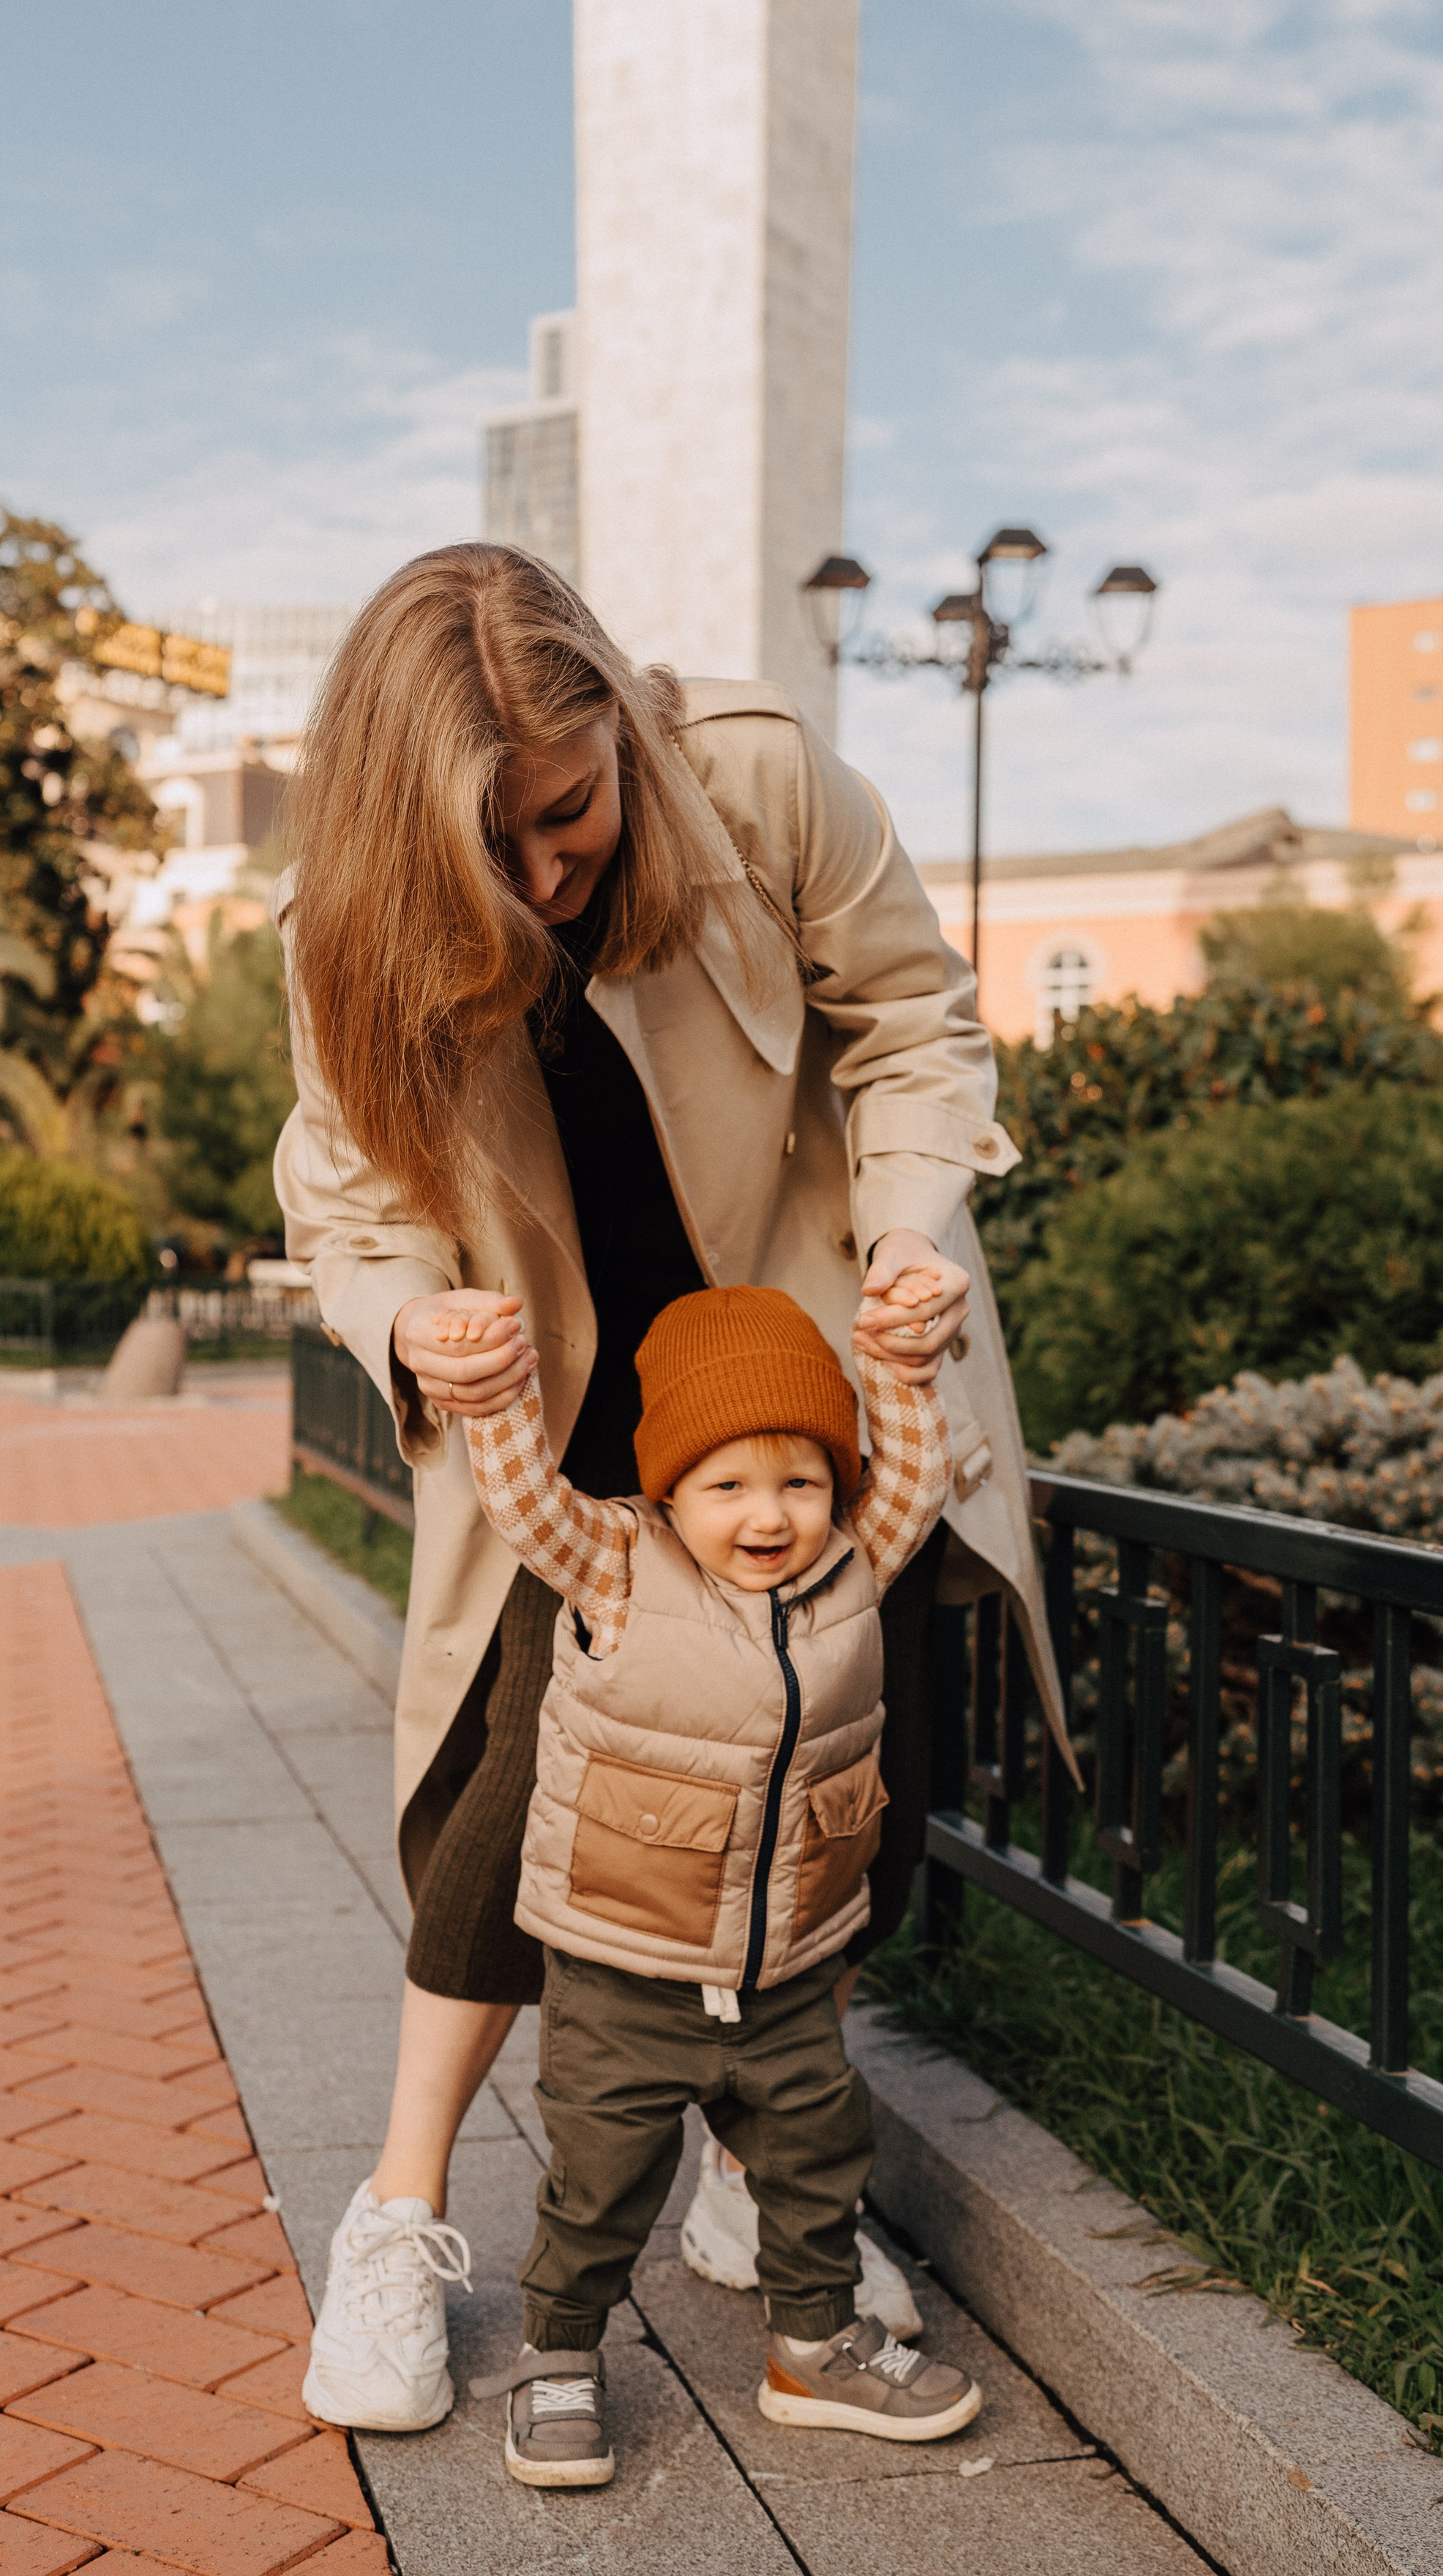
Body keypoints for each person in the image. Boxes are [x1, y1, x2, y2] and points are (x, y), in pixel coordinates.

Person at [272, 543, 1064, 2433]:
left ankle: (758, 2183)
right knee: (502, 1815)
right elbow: (344, 1194)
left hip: (802, 1376)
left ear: (620, 721)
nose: (549, 879)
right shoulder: (344, 921)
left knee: (830, 1781)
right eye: (498, 851)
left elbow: (917, 1024)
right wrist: (407, 1331)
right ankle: (397, 2222)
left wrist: (911, 1225)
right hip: (562, 1430)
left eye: (569, 815)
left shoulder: (766, 780)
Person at [457, 1283, 983, 2486]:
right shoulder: (619, 1566)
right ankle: (560, 2355)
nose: (770, 1514)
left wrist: (898, 1373)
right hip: (623, 1970)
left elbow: (915, 1474)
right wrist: (494, 1398)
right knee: (599, 2186)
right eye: (729, 1484)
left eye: (800, 1480)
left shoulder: (858, 1563)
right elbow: (524, 1500)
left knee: (817, 2160)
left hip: (790, 1969)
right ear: (669, 1490)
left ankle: (812, 2344)